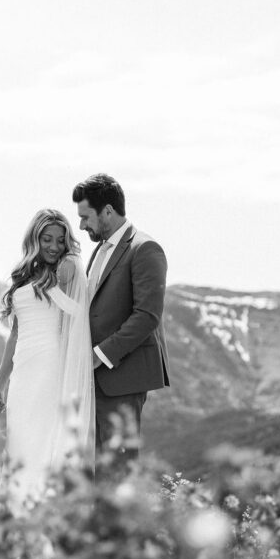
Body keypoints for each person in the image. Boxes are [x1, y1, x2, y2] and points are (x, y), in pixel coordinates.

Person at [0, 209, 94, 506]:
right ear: (35, 238)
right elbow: (15, 335)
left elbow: (79, 314)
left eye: (60, 240)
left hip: (51, 366)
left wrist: (61, 279)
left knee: (43, 440)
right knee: (20, 443)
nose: (53, 246)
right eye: (47, 239)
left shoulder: (67, 269)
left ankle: (41, 512)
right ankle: (15, 513)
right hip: (23, 372)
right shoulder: (23, 276)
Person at [72, 174, 169, 462]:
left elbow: (146, 316)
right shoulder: (99, 250)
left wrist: (97, 356)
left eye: (86, 216)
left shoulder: (145, 249)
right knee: (96, 467)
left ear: (108, 211)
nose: (81, 225)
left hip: (122, 378)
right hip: (95, 380)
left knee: (118, 470)